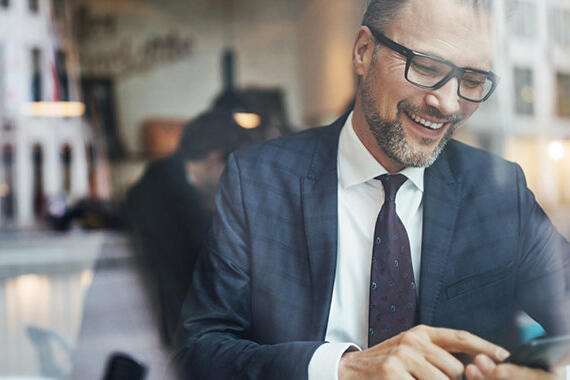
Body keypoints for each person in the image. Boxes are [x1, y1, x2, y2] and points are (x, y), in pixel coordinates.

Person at [176, 1, 570, 379]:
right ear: (363, 52)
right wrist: (341, 369)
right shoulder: (257, 180)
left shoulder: (499, 191)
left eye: (471, 80)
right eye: (427, 67)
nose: (448, 104)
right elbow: (201, 348)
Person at [124, 109, 249, 348]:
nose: (237, 183)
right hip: (172, 345)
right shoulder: (176, 207)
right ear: (214, 159)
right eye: (236, 171)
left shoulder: (156, 186)